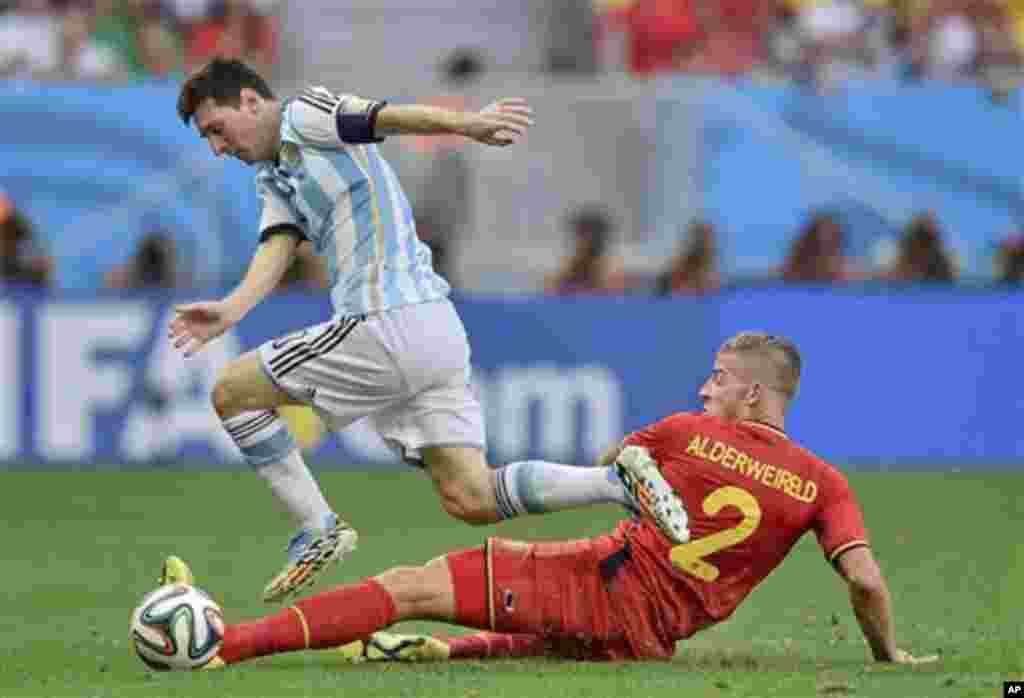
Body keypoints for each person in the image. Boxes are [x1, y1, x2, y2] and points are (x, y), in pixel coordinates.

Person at [168, 58, 687, 604]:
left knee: (231, 391)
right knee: (472, 496)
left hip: (382, 321)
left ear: (250, 101)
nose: (216, 148)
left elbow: (384, 117)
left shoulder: (305, 115)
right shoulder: (274, 174)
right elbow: (277, 245)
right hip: (434, 328)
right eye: (207, 139)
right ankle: (613, 483)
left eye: (216, 130)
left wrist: (468, 125)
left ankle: (318, 526)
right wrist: (230, 311)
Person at [153, 331, 938, 668]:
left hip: (616, 581)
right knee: (532, 644)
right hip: (660, 631)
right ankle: (433, 655)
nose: (707, 384)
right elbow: (865, 580)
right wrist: (888, 656)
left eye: (720, 377)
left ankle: (227, 644)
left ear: (754, 392)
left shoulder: (683, 429)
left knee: (409, 586)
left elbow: (603, 468)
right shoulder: (825, 483)